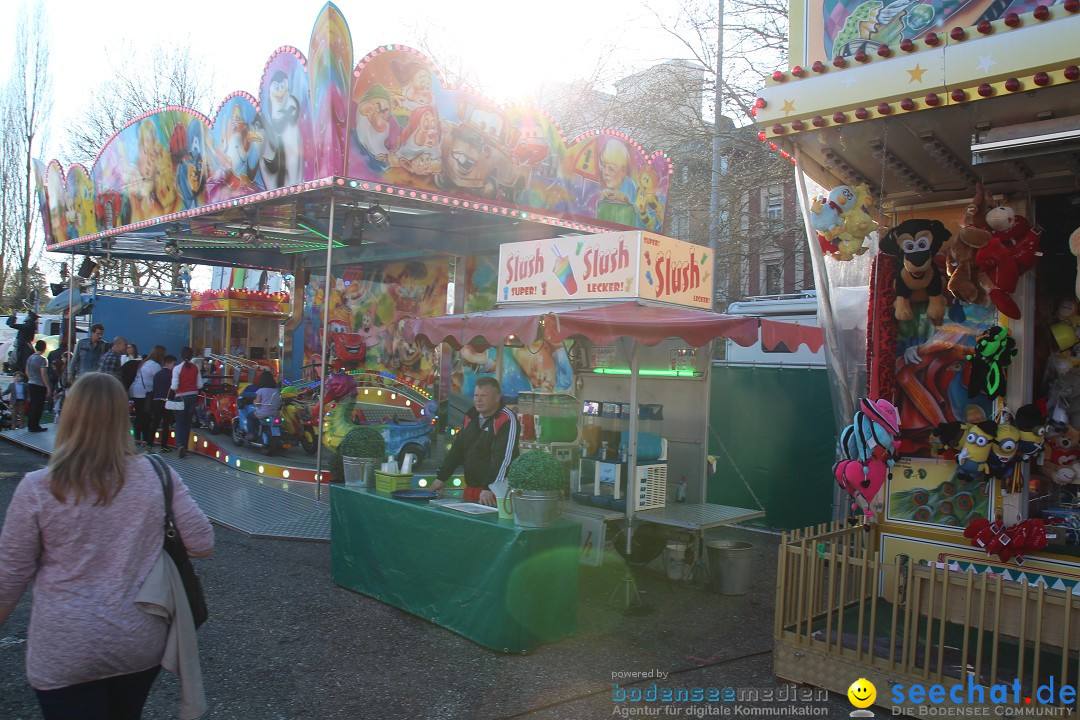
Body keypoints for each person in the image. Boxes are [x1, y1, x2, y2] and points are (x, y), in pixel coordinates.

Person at [0, 373, 214, 719]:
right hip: (137, 642)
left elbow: (8, 580)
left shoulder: (39, 488)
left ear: (69, 415)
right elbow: (202, 543)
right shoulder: (157, 474)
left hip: (64, 647)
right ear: (121, 418)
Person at [432, 377, 519, 507]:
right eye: (476, 395)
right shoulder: (470, 415)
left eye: (483, 396)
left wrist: (490, 488)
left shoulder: (506, 419)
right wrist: (441, 477)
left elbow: (504, 458)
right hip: (471, 488)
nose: (478, 400)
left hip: (495, 492)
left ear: (496, 398)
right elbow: (457, 449)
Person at [170, 347, 204, 458]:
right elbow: (200, 385)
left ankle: (180, 445)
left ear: (181, 355)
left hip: (180, 397)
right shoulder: (196, 368)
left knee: (179, 422)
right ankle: (185, 446)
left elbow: (174, 386)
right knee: (187, 423)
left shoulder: (177, 368)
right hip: (193, 396)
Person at [132, 346, 164, 448]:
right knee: (146, 417)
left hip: (136, 391)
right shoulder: (155, 366)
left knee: (140, 415)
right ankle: (145, 439)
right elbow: (160, 380)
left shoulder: (145, 362)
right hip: (145, 393)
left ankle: (137, 437)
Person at [150, 355, 177, 452]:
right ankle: (164, 445)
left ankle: (149, 444)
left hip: (156, 400)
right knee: (166, 424)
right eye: (174, 364)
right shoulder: (172, 375)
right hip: (167, 401)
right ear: (169, 364)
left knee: (155, 423)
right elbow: (174, 389)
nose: (174, 366)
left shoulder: (157, 374)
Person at [246, 370, 281, 441]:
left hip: (262, 413)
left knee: (249, 416)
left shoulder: (260, 390)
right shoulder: (276, 391)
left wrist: (253, 401)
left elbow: (256, 402)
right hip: (274, 413)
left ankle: (251, 434)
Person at [25, 340, 51, 433]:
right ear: (44, 348)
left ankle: (30, 425)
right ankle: (35, 426)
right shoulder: (43, 359)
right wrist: (48, 386)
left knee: (33, 405)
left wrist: (31, 378)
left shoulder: (30, 358)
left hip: (31, 383)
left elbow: (27, 371)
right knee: (39, 406)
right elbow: (44, 374)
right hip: (39, 385)